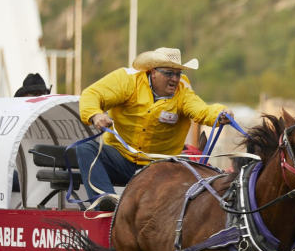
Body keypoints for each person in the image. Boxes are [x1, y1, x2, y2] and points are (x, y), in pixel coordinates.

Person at [77, 47, 231, 210]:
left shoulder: (184, 91)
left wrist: (219, 114)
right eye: (169, 73)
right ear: (153, 72)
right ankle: (105, 203)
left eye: (177, 74)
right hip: (121, 158)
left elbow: (201, 110)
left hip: (160, 167)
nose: (175, 79)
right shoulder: (127, 80)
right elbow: (92, 94)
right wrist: (95, 115)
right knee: (85, 149)